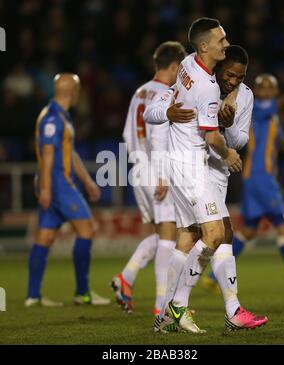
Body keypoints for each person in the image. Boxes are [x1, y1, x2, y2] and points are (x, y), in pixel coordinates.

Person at [144, 19, 267, 333]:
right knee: (219, 234)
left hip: (210, 172)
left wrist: (226, 128)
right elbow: (206, 132)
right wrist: (223, 144)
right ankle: (210, 307)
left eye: (238, 78)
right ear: (218, 62)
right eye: (229, 74)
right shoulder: (207, 82)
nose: (232, 81)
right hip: (195, 169)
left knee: (189, 237)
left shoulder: (244, 96)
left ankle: (165, 316)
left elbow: (239, 138)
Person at [111, 42, 187, 315]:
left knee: (164, 232)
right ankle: (161, 306)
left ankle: (126, 278)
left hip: (139, 167)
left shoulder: (139, 91)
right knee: (170, 233)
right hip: (157, 169)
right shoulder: (165, 93)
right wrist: (162, 173)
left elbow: (127, 135)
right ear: (176, 66)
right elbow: (157, 137)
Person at [206, 74, 284, 292]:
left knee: (249, 230)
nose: (266, 92)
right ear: (256, 93)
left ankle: (212, 276)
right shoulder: (257, 111)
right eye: (262, 88)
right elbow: (282, 103)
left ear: (275, 91)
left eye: (270, 88)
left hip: (256, 179)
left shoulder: (272, 117)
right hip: (261, 178)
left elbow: (283, 144)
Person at [25, 73, 110, 307]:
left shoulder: (60, 115)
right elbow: (49, 155)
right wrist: (46, 188)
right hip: (58, 184)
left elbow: (69, 153)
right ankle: (82, 293)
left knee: (45, 236)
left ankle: (33, 296)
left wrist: (88, 181)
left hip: (53, 183)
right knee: (87, 229)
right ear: (74, 91)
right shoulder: (53, 118)